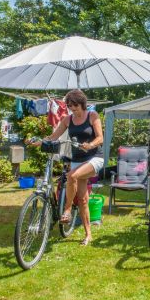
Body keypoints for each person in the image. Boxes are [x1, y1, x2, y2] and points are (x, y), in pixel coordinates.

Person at [29, 89, 104, 246]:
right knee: (83, 200)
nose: (72, 109)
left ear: (82, 104)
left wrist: (89, 145)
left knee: (71, 176)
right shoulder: (67, 120)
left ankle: (67, 210)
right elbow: (53, 137)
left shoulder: (92, 116)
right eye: (69, 106)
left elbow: (100, 138)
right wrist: (40, 141)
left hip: (94, 158)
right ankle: (88, 234)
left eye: (74, 106)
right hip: (77, 159)